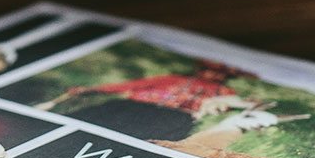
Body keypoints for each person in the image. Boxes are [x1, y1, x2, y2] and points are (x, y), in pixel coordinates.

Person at [33, 60, 255, 140]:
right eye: (209, 70)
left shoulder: (224, 93)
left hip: (174, 118)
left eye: (220, 73)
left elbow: (226, 107)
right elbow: (131, 87)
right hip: (132, 107)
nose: (212, 75)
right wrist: (95, 89)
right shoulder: (173, 78)